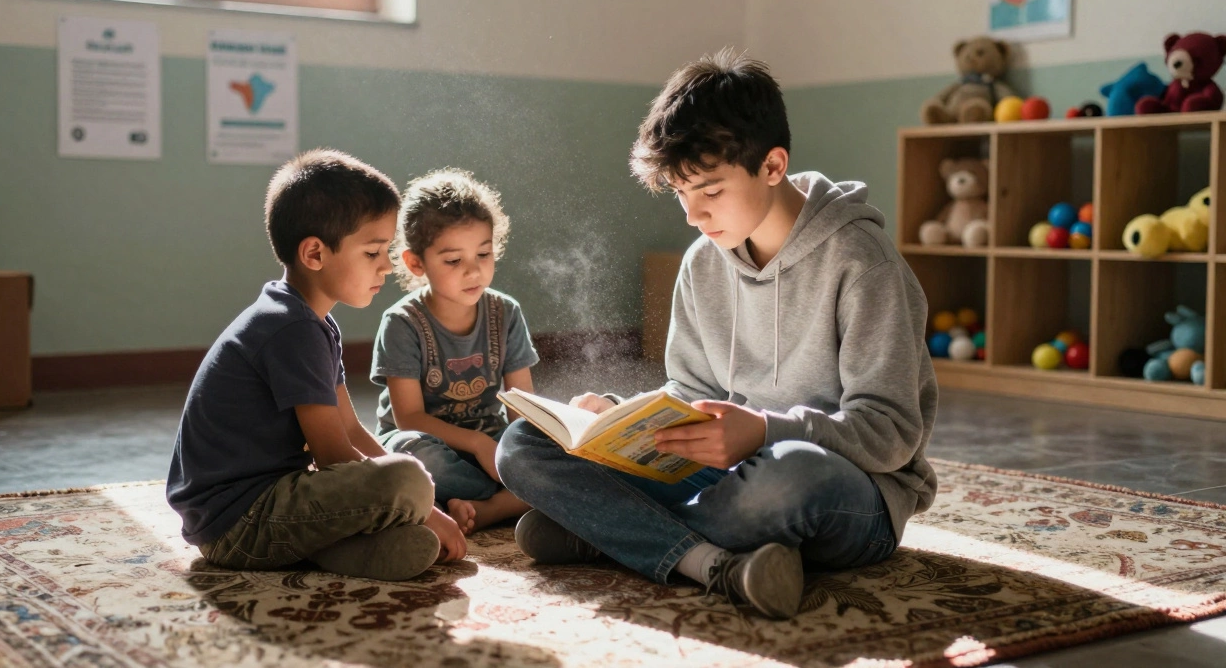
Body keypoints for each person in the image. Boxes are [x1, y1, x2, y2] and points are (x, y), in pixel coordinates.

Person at [496, 49, 938, 619]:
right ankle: (707, 559)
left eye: (709, 190)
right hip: (727, 474)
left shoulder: (862, 262)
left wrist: (763, 430)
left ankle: (606, 534)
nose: (693, 215)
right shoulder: (704, 261)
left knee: (784, 480)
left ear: (772, 166)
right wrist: (613, 418)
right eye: (680, 194)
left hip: (847, 489)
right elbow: (688, 395)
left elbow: (892, 433)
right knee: (523, 446)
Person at [166, 148, 466, 581]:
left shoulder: (312, 322)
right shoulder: (291, 328)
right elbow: (332, 456)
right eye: (372, 252)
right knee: (407, 478)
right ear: (314, 254)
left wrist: (425, 508)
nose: (386, 265)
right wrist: (421, 503)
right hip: (240, 522)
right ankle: (360, 530)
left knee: (410, 499)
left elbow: (351, 429)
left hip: (249, 519)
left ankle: (344, 552)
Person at [372, 168, 538, 536]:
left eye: (484, 253)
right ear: (417, 263)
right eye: (453, 261)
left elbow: (523, 408)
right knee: (411, 460)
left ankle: (478, 508)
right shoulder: (402, 322)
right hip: (429, 445)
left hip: (490, 448)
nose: (473, 271)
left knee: (552, 454)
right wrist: (478, 445)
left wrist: (529, 450)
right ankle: (509, 498)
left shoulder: (505, 312)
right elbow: (409, 419)